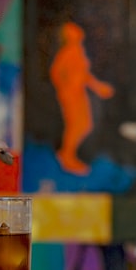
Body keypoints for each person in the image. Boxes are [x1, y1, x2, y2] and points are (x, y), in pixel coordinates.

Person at [50, 21, 114, 175]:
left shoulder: (77, 50)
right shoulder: (67, 52)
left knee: (85, 124)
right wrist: (65, 87)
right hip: (71, 94)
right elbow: (55, 73)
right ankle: (67, 157)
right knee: (76, 125)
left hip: (79, 93)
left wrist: (99, 88)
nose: (76, 34)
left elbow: (85, 75)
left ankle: (67, 154)